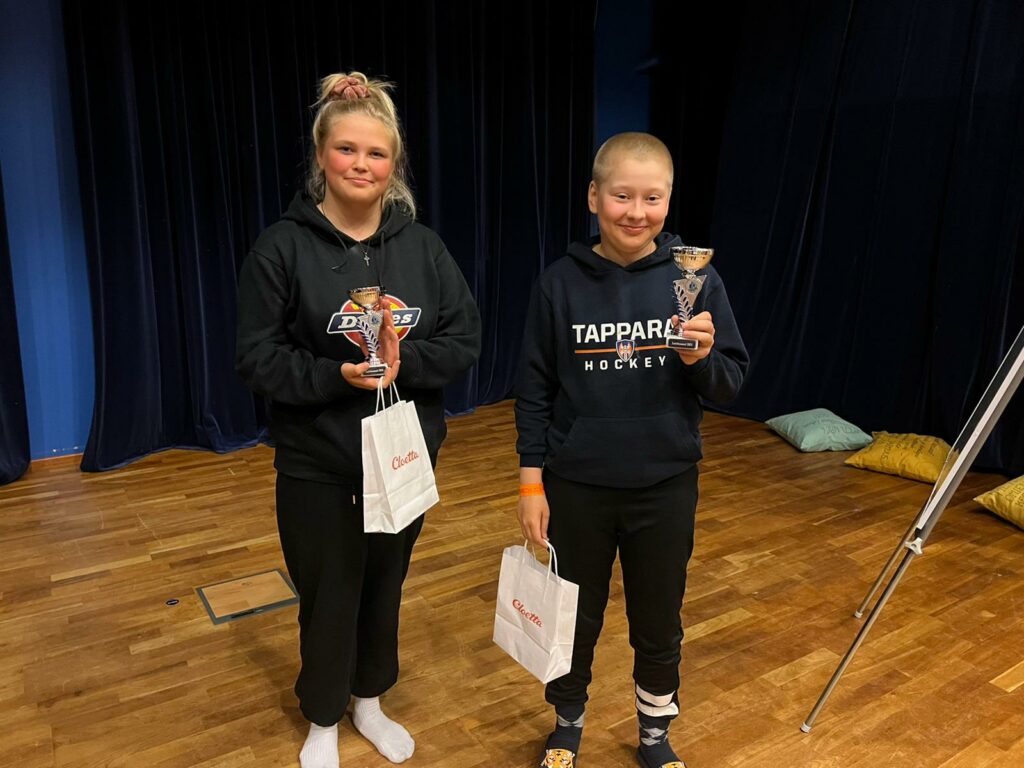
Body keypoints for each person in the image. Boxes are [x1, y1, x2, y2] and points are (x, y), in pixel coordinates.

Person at [236, 71, 481, 768]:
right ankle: (321, 716)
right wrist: (332, 376)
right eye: (346, 149)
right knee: (328, 592)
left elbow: (465, 337)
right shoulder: (282, 247)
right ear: (321, 155)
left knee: (384, 584)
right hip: (318, 459)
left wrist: (407, 363)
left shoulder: (423, 247)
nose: (361, 165)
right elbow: (256, 357)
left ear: (393, 163)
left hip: (403, 453)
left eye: (376, 153)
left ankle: (369, 700)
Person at [514, 132, 748, 768]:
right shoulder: (558, 284)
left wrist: (700, 360)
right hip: (576, 486)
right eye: (621, 196)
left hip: (665, 485)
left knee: (658, 621)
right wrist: (531, 484)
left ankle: (654, 735)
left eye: (652, 198)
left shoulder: (696, 279)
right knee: (574, 619)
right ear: (594, 196)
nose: (636, 212)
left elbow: (730, 382)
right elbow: (533, 392)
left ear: (669, 200)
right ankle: (567, 724)